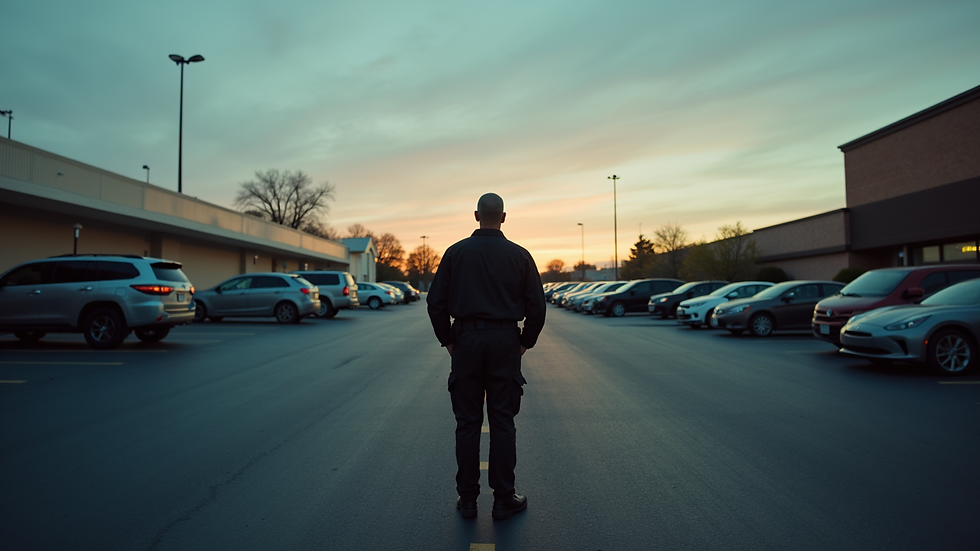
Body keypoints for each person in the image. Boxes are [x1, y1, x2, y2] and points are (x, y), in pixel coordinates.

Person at [426, 192, 547, 521]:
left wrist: (449, 341)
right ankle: (503, 499)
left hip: (466, 340)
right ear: (503, 217)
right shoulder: (520, 256)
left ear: (476, 216)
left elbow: (435, 303)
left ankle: (467, 500)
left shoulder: (455, 253)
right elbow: (537, 307)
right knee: (503, 421)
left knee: (467, 422)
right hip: (505, 341)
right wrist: (525, 342)